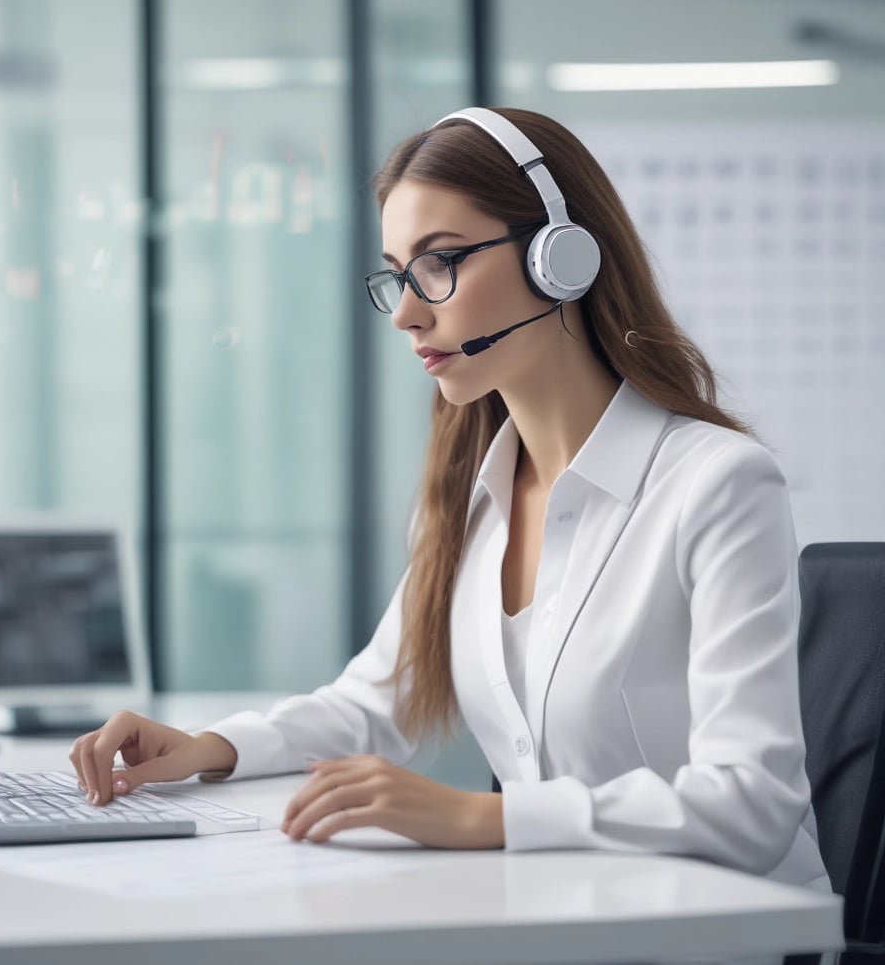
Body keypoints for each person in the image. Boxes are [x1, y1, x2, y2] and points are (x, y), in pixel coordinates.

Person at [70, 106, 829, 891]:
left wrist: (482, 819)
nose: (406, 312)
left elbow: (754, 804)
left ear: (559, 258)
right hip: (563, 919)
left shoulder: (718, 485)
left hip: (728, 930)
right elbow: (367, 705)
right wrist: (203, 748)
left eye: (440, 263)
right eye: (398, 274)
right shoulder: (473, 500)